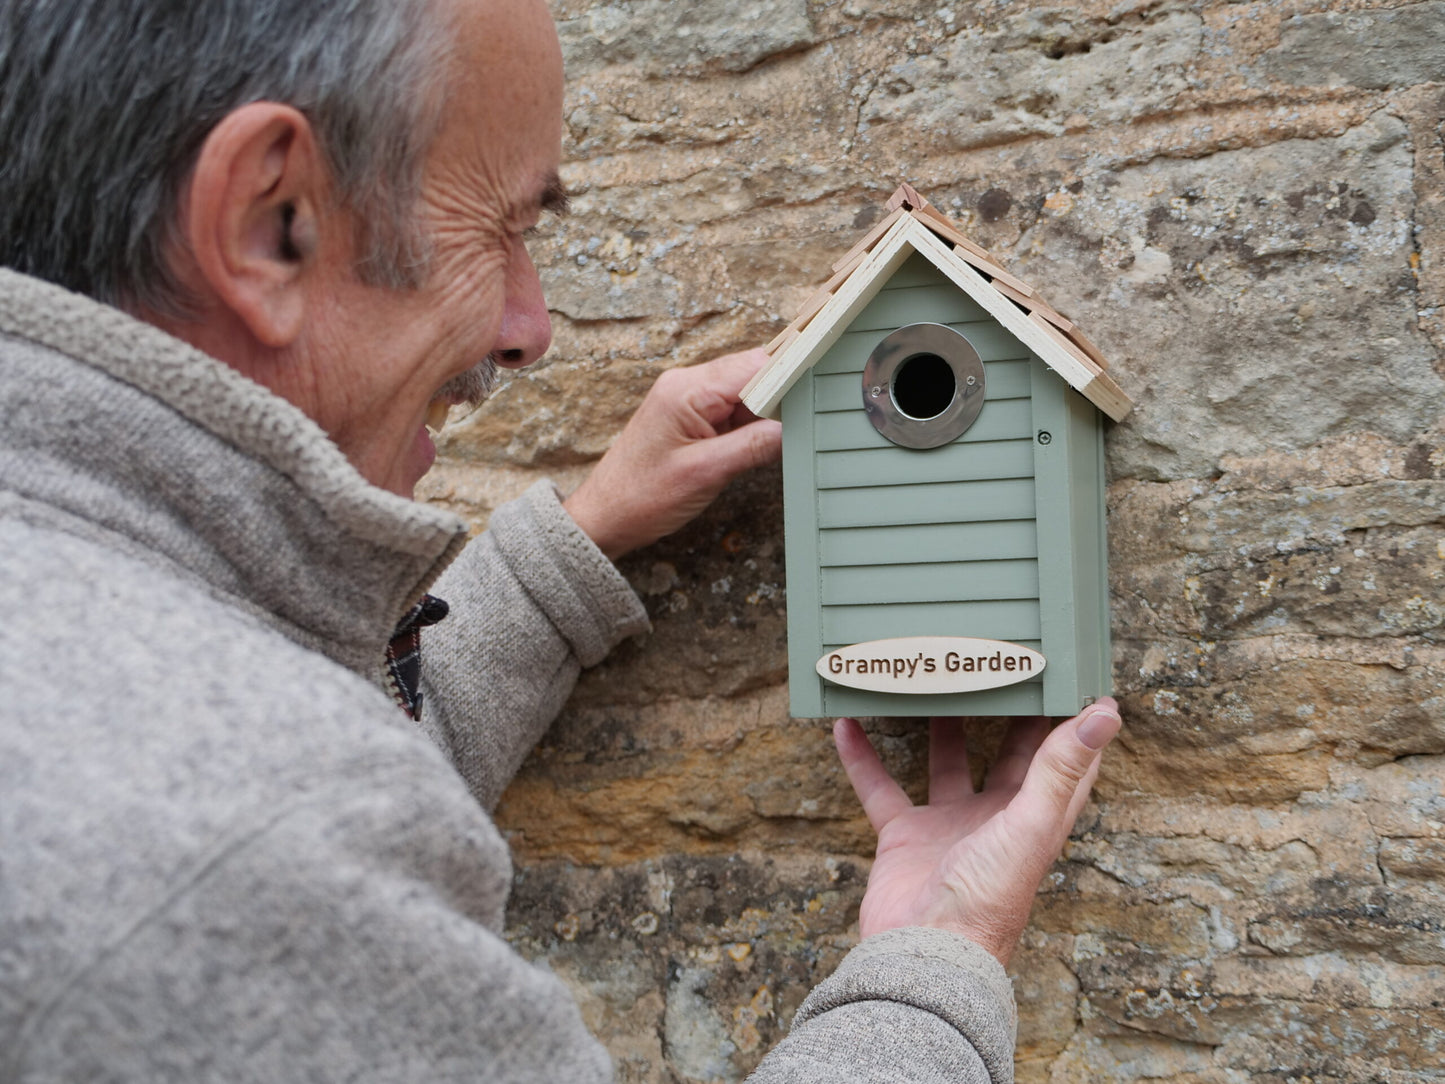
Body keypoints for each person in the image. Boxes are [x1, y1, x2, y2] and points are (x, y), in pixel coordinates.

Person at [0, 0, 1122, 1080]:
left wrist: (571, 548)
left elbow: (277, 739)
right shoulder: (262, 846)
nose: (530, 328)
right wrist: (935, 966)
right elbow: (279, 811)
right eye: (507, 226)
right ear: (269, 220)